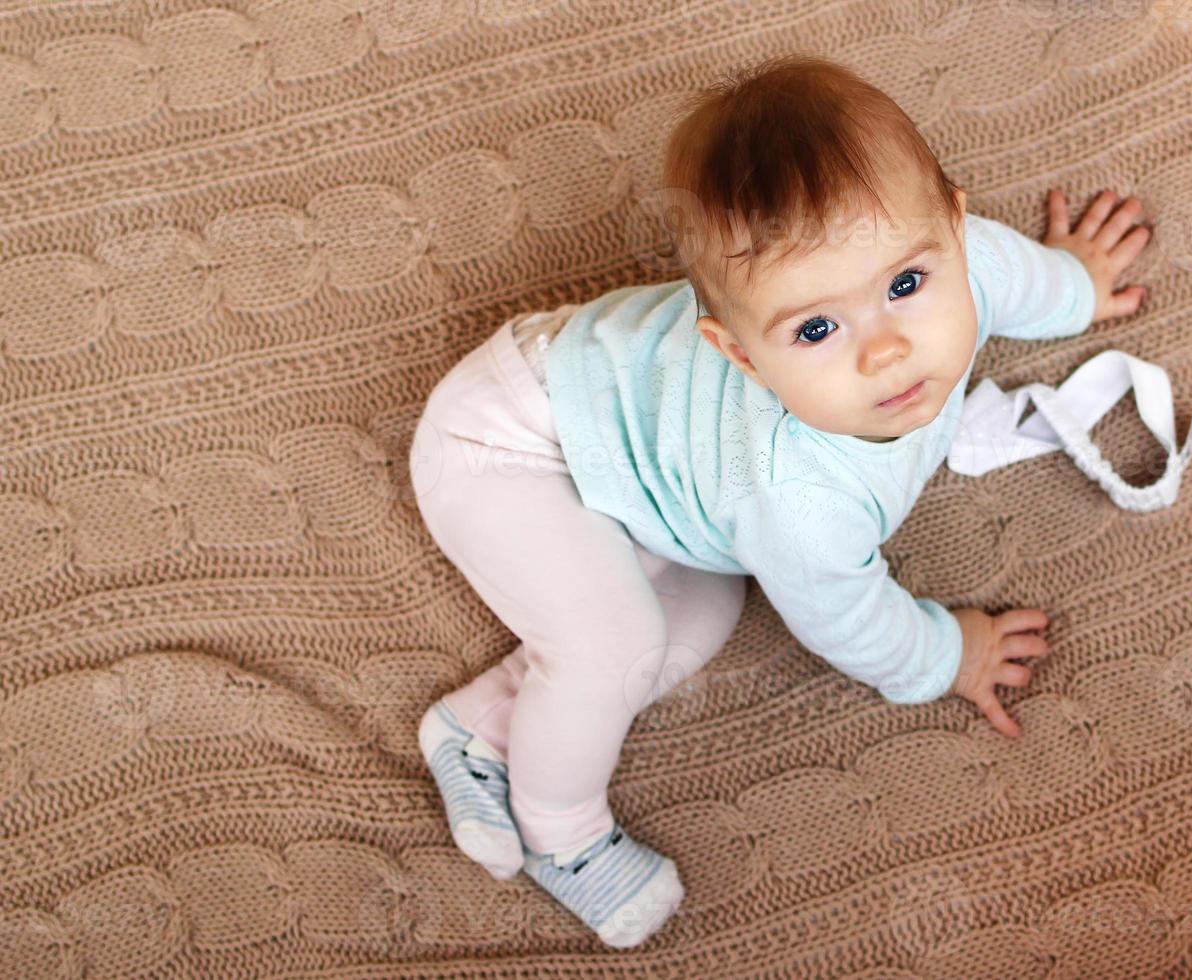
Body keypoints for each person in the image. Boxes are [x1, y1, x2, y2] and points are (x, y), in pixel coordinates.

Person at [408, 53, 1152, 948]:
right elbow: (851, 619)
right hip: (510, 447)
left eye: (907, 287)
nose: (885, 351)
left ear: (954, 231)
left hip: (645, 470)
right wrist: (946, 654)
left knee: (709, 602)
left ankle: (478, 726)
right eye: (816, 328)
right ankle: (561, 830)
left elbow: (1012, 278)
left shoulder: (967, 259)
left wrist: (1075, 285)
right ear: (742, 355)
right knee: (616, 644)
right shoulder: (801, 499)